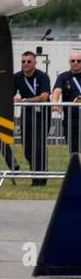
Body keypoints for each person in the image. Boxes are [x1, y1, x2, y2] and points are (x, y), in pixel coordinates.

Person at [14, 50, 51, 186]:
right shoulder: (17, 77)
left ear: (35, 62)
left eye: (29, 61)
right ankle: (35, 173)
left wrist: (23, 100)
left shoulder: (42, 77)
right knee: (27, 146)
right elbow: (10, 94)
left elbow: (44, 97)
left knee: (39, 146)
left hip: (42, 114)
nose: (26, 64)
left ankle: (40, 178)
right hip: (27, 114)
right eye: (23, 61)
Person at [51, 50, 81, 158]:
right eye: (73, 60)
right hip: (71, 120)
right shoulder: (63, 77)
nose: (76, 63)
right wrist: (54, 103)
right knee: (74, 150)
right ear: (69, 62)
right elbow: (56, 91)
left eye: (79, 61)